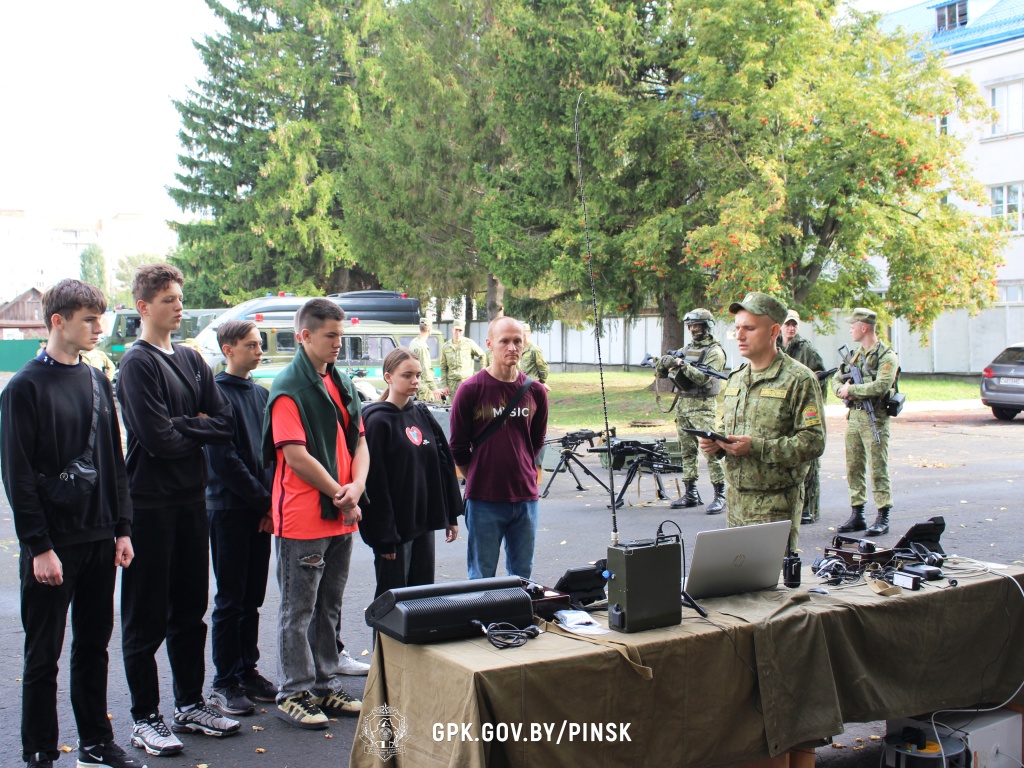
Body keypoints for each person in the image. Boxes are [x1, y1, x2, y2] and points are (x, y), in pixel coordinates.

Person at [1, 280, 139, 768]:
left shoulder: (98, 380)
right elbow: (16, 475)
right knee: (43, 657)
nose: (98, 327)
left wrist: (122, 529)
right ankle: (39, 750)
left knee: (94, 648)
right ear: (57, 321)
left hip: (101, 538)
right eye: (89, 319)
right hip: (53, 545)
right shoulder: (24, 387)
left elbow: (114, 461)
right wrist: (38, 546)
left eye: (100, 318)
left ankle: (96, 743)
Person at [117, 264, 239, 757]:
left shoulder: (191, 359)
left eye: (180, 297)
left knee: (190, 610)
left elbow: (226, 422)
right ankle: (145, 717)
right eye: (168, 299)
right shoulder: (136, 363)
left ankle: (189, 704)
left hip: (192, 501)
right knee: (145, 616)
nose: (179, 305)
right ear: (144, 307)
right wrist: (194, 424)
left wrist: (183, 423)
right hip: (149, 505)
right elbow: (157, 439)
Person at [261, 298, 369, 729]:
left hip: (341, 513)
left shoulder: (339, 381)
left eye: (341, 336)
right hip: (305, 518)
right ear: (304, 335)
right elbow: (294, 454)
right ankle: (294, 691)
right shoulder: (291, 385)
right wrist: (342, 493)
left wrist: (356, 489)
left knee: (329, 606)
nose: (338, 344)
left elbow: (360, 440)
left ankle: (324, 685)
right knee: (298, 609)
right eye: (330, 336)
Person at [698, 293, 825, 552]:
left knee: (772, 587)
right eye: (737, 329)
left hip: (775, 504)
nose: (740, 336)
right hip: (736, 501)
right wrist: (717, 443)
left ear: (773, 331)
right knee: (739, 584)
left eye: (749, 328)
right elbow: (730, 429)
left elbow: (813, 442)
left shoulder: (798, 379)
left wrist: (757, 447)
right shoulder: (736, 379)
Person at [204, 320, 278, 717]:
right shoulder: (214, 394)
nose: (259, 351)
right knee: (230, 598)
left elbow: (269, 454)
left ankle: (247, 669)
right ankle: (225, 680)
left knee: (253, 597)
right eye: (251, 345)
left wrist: (268, 505)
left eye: (260, 344)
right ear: (228, 348)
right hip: (229, 509)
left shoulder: (262, 394)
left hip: (259, 510)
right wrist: (263, 502)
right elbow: (223, 459)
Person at [449, 317, 548, 579]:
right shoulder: (471, 390)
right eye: (505, 341)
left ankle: (515, 621)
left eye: (517, 341)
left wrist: (523, 470)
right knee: (482, 577)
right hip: (484, 500)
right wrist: (478, 476)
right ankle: (482, 620)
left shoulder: (536, 391)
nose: (512, 347)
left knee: (522, 576)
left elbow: (536, 441)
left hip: (525, 498)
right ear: (490, 344)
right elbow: (457, 446)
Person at [359, 347, 463, 598]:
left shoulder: (421, 413)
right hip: (395, 530)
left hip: (424, 523)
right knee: (392, 601)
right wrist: (384, 536)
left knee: (421, 597)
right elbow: (374, 482)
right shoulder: (376, 420)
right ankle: (383, 640)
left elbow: (443, 463)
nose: (415, 381)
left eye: (418, 375)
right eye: (407, 375)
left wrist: (450, 514)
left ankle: (418, 639)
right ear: (388, 377)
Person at [832, 308, 899, 537]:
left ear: (864, 327)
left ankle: (883, 515)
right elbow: (836, 379)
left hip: (875, 419)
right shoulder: (855, 355)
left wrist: (852, 389)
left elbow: (881, 386)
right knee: (854, 467)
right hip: (854, 418)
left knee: (878, 468)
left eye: (853, 324)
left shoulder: (887, 356)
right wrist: (842, 391)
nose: (850, 328)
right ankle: (857, 514)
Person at [654, 308, 728, 514]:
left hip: (703, 408)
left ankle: (720, 495)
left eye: (698, 325)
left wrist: (681, 364)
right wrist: (664, 362)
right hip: (684, 406)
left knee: (710, 451)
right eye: (691, 326)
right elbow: (661, 373)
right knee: (686, 452)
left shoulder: (715, 352)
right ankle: (690, 493)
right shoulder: (686, 349)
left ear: (707, 327)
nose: (694, 329)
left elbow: (702, 378)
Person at [779, 310, 827, 525]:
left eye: (794, 325)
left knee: (809, 464)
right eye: (788, 324)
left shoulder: (807, 350)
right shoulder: (776, 348)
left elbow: (821, 381)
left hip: (804, 411)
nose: (791, 328)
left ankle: (809, 509)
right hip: (783, 411)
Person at [439, 319, 484, 399]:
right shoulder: (445, 347)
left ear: (463, 331)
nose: (458, 333)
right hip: (452, 385)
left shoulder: (469, 343)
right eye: (456, 330)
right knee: (453, 409)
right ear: (452, 329)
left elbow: (482, 355)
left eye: (460, 330)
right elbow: (443, 367)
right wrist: (444, 386)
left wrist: (482, 373)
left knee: (468, 407)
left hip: (467, 382)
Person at [408, 317, 439, 402]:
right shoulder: (422, 347)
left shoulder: (413, 342)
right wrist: (434, 388)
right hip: (424, 387)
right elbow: (425, 370)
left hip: (416, 383)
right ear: (429, 329)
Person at [519, 323, 552, 392]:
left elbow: (543, 367)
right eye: (521, 332)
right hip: (521, 384)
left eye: (525, 332)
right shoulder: (519, 349)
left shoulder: (534, 349)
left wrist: (541, 382)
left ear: (529, 333)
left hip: (532, 384)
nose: (523, 335)